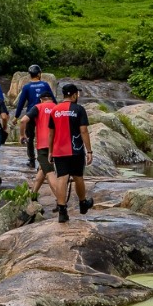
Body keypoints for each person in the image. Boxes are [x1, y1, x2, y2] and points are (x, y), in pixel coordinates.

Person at [49, 83, 93, 223]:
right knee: (78, 176)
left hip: (59, 150)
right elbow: (84, 131)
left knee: (62, 177)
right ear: (74, 95)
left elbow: (51, 134)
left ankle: (62, 211)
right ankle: (82, 203)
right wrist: (89, 151)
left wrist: (50, 151)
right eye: (77, 94)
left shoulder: (55, 110)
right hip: (76, 150)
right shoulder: (79, 109)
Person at [13, 64, 55, 169]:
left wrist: (16, 117)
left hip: (31, 113)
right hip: (44, 113)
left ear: (30, 75)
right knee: (46, 134)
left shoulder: (26, 87)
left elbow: (21, 103)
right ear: (39, 74)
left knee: (30, 138)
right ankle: (45, 158)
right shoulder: (45, 85)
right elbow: (52, 99)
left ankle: (32, 160)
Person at [29, 91, 58, 201]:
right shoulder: (58, 108)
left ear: (41, 99)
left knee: (49, 172)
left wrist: (23, 134)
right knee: (42, 169)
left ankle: (61, 201)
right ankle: (33, 196)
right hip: (57, 144)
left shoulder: (38, 107)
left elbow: (24, 120)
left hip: (43, 144)